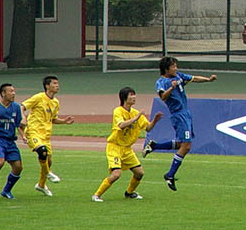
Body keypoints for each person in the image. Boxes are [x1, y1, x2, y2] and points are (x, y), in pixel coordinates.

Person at [142, 57, 217, 191]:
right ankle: (170, 174)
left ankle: (155, 146)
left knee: (182, 143)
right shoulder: (161, 82)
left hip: (185, 113)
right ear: (166, 69)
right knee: (186, 146)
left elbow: (193, 78)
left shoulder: (179, 76)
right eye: (173, 66)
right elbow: (163, 97)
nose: (176, 68)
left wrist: (208, 79)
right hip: (178, 115)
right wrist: (172, 88)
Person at [92, 87, 163, 202]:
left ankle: (129, 193)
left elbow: (148, 128)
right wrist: (136, 118)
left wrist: (155, 120)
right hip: (115, 147)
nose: (134, 97)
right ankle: (97, 195)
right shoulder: (118, 111)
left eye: (134, 94)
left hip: (127, 149)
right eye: (131, 95)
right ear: (124, 97)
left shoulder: (135, 113)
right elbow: (121, 125)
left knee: (139, 173)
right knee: (116, 174)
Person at [21, 75, 74, 197]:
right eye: (54, 83)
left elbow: (53, 119)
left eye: (57, 83)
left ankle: (41, 185)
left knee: (48, 161)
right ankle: (48, 173)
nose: (57, 85)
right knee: (42, 151)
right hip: (33, 131)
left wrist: (64, 121)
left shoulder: (56, 102)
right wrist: (23, 117)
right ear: (47, 86)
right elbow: (22, 106)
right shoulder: (39, 97)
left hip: (46, 135)